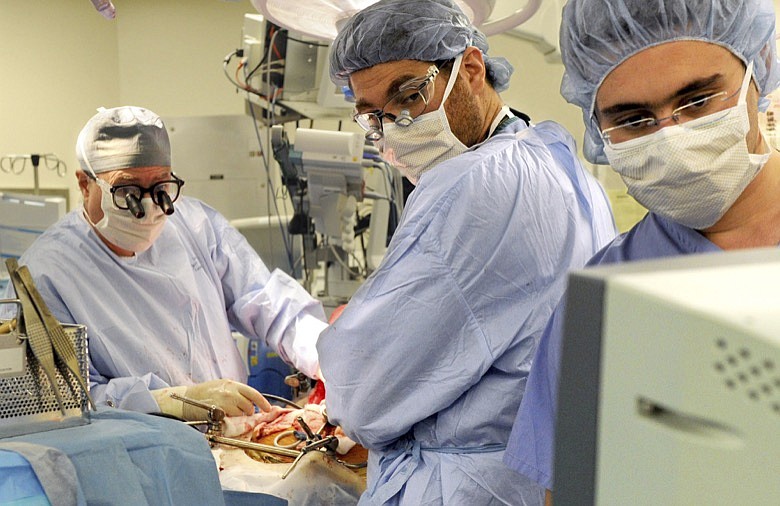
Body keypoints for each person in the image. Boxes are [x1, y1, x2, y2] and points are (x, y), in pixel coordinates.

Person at [316, 0, 617, 503]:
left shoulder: (474, 186)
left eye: (409, 95)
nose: (396, 126)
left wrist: (347, 342)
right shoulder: (556, 159)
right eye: (375, 116)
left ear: (471, 69)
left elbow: (361, 395)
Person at [504, 0, 780, 501]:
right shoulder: (606, 297)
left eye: (697, 101)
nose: (672, 138)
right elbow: (570, 490)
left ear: (758, 65)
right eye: (634, 119)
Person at [0, 106, 328, 420]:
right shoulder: (45, 276)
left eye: (160, 188)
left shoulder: (195, 225)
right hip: (140, 455)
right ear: (85, 184)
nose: (147, 206)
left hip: (232, 439)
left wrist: (327, 356)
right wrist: (170, 401)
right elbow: (64, 402)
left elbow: (268, 303)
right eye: (126, 191)